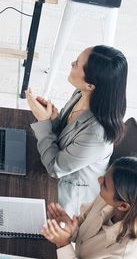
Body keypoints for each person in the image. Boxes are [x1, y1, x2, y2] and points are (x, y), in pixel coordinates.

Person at [26, 45, 127, 216]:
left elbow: (55, 168)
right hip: (51, 167)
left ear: (90, 85)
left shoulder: (97, 134)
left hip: (66, 197)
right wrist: (52, 117)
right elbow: (66, 137)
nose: (72, 63)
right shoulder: (81, 94)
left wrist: (43, 121)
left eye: (77, 64)